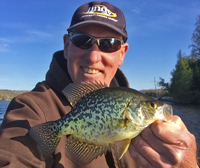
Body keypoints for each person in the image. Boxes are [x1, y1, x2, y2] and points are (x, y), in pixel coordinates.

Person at [0, 1, 199, 168]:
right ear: (67, 46)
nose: (94, 56)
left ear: (122, 52)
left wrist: (189, 163)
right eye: (82, 40)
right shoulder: (30, 109)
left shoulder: (147, 125)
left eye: (109, 43)